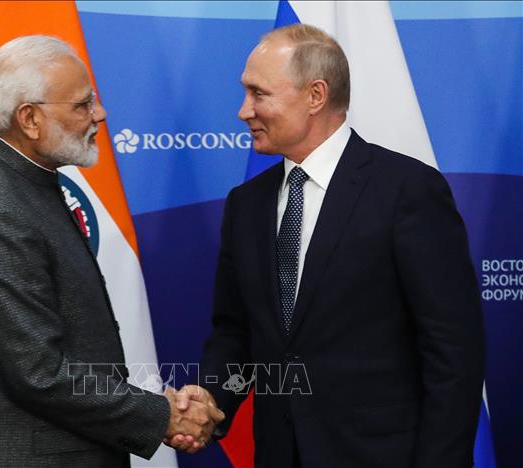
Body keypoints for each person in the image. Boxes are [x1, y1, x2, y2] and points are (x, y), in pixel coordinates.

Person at [174, 24, 485, 467]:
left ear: (315, 95)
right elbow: (236, 334)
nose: (243, 111)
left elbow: (454, 351)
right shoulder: (246, 204)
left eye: (258, 93)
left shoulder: (407, 190)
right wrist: (210, 402)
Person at [0, 35, 222, 467]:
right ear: (30, 118)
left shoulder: (19, 180)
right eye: (83, 104)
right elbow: (38, 371)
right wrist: (162, 416)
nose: (100, 114)